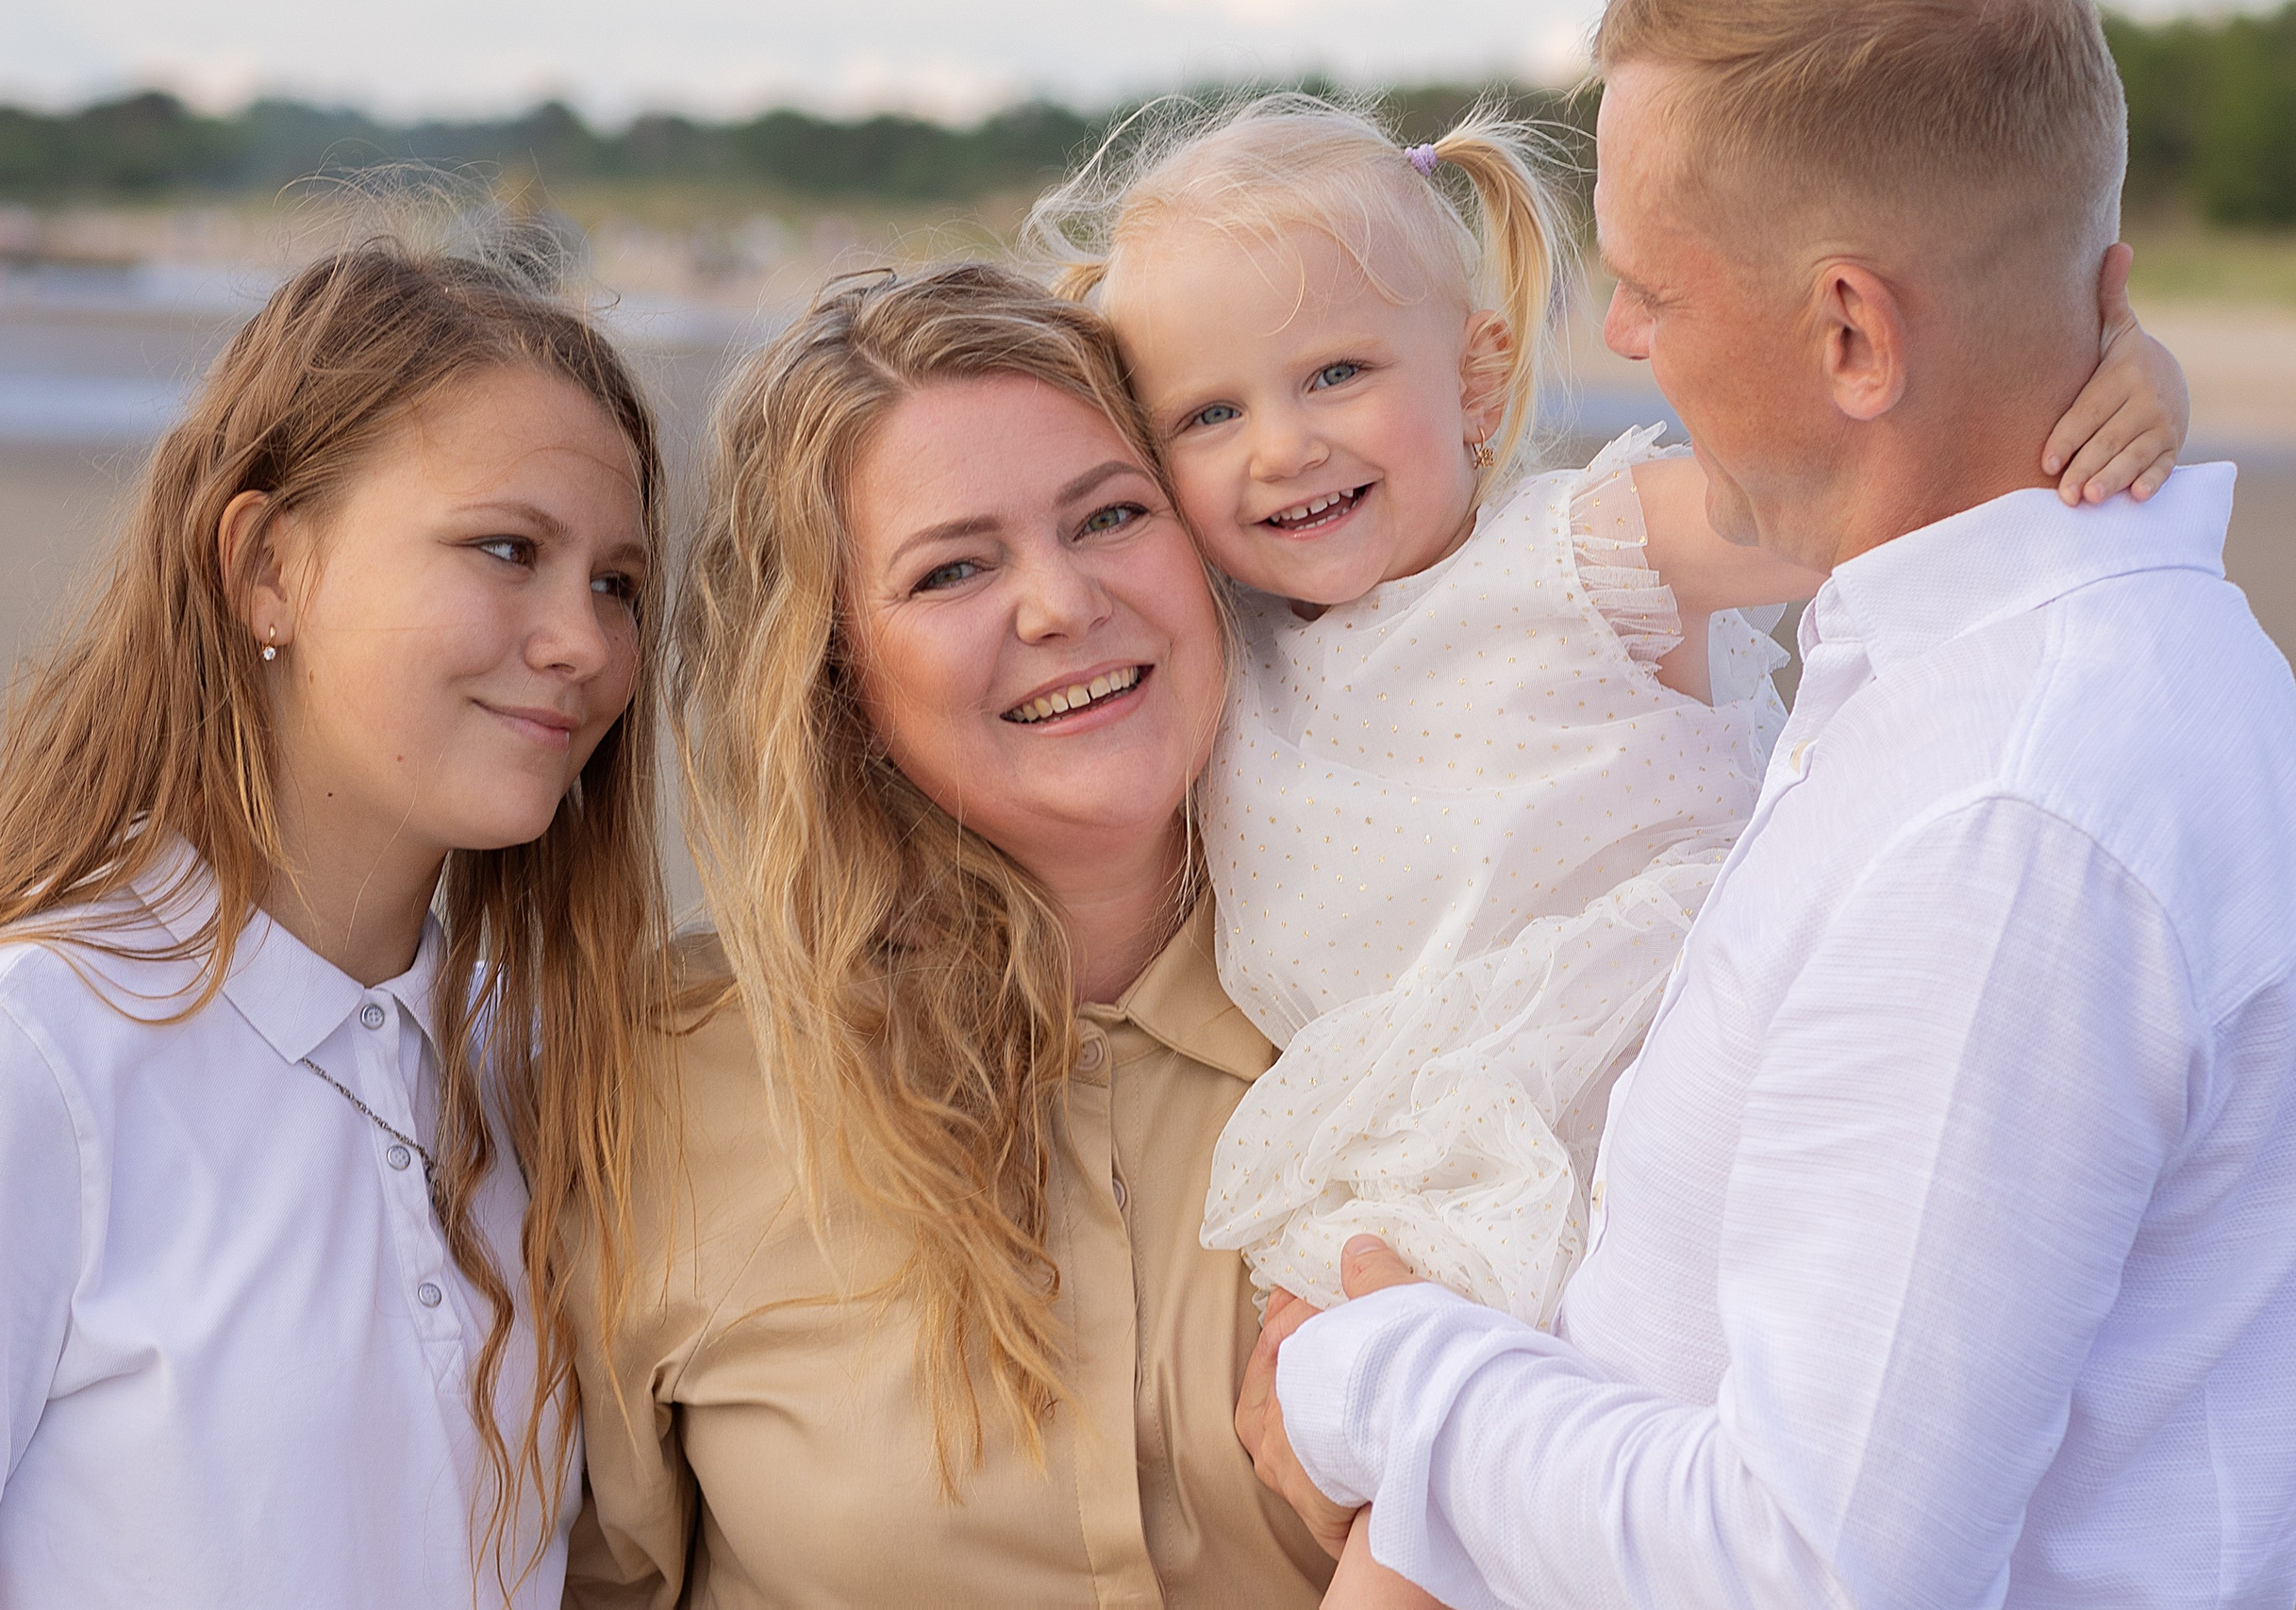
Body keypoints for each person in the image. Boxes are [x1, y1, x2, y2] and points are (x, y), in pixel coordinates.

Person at [1031, 91, 2188, 1605]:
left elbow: (1874, 495)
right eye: (1211, 414)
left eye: (1336, 373)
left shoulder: (1575, 557)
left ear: (1475, 373)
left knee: (1411, 1562)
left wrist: (2126, 375)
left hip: (1628, 1150)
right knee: (1375, 1530)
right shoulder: (1231, 658)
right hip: (1407, 1192)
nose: (1284, 446)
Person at [0, 242, 670, 1608]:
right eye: (507, 549)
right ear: (268, 569)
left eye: (616, 581)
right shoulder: (10, 1064)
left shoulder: (543, 1069)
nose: (586, 644)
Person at [562, 263, 1339, 1606]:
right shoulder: (655, 1082)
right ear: (836, 676)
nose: (1059, 604)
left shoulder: (1430, 1000)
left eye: (1108, 517)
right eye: (953, 568)